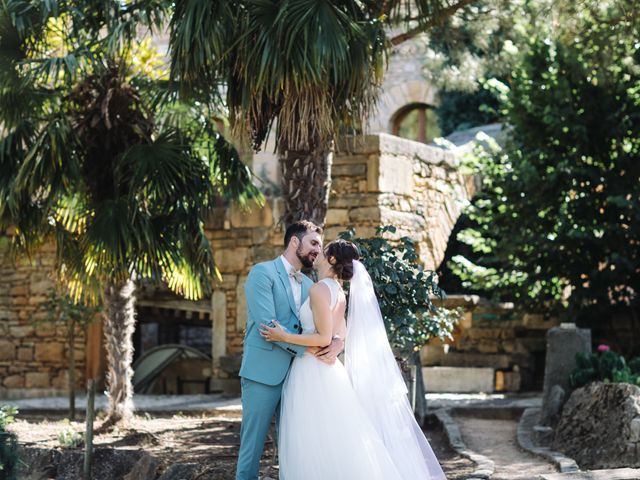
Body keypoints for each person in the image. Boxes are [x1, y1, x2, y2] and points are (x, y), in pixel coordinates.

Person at [260, 239, 447, 480]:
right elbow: (341, 329)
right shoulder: (339, 291)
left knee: (311, 437)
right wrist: (338, 343)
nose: (317, 254)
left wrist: (284, 336)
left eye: (323, 251)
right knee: (335, 436)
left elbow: (322, 336)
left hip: (312, 371)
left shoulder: (319, 289)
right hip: (329, 370)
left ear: (333, 260)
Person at [235, 220, 344, 480]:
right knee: (252, 447)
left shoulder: (311, 285)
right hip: (264, 373)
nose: (318, 250)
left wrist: (338, 342)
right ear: (295, 241)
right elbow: (266, 325)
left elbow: (328, 323)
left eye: (320, 244)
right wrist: (311, 350)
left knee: (295, 448)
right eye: (313, 243)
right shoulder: (262, 273)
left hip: (300, 380)